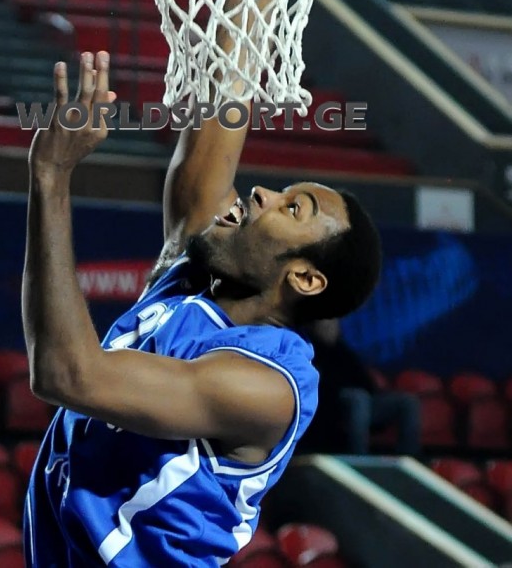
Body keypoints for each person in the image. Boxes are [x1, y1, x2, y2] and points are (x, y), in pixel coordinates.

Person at [21, 41, 383, 567]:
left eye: (292, 208)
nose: (261, 194)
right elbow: (231, 67)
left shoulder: (268, 386)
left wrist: (52, 175)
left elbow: (65, 374)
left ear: (305, 278)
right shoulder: (194, 274)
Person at [301, 319, 420, 456]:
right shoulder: (309, 352)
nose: (331, 328)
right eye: (326, 325)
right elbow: (317, 387)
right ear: (314, 328)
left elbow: (365, 381)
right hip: (330, 407)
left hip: (362, 404)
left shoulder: (343, 351)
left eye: (334, 324)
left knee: (407, 402)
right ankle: (359, 456)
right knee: (358, 398)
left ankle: (410, 456)